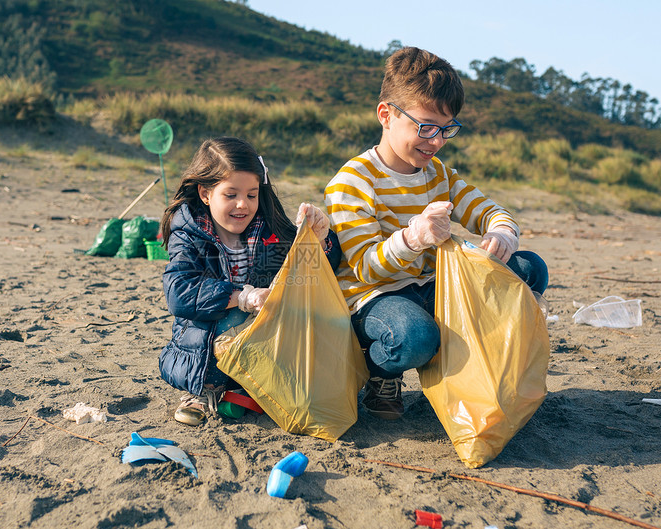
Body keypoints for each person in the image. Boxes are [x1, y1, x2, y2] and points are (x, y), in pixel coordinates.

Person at [324, 47, 548, 421]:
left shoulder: (438, 174)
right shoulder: (352, 181)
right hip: (374, 299)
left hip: (431, 287)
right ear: (387, 115)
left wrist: (503, 233)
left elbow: (489, 211)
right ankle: (380, 371)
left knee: (529, 268)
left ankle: (484, 367)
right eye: (426, 127)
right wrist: (414, 239)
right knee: (416, 337)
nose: (437, 141)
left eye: (447, 130)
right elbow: (365, 268)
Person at [159, 137, 342, 426]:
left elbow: (314, 270)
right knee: (233, 313)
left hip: (262, 344)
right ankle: (205, 391)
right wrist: (243, 297)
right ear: (206, 194)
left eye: (252, 195)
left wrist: (318, 239)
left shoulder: (268, 227)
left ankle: (250, 388)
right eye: (230, 195)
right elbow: (180, 293)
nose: (243, 205)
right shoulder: (189, 234)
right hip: (204, 349)